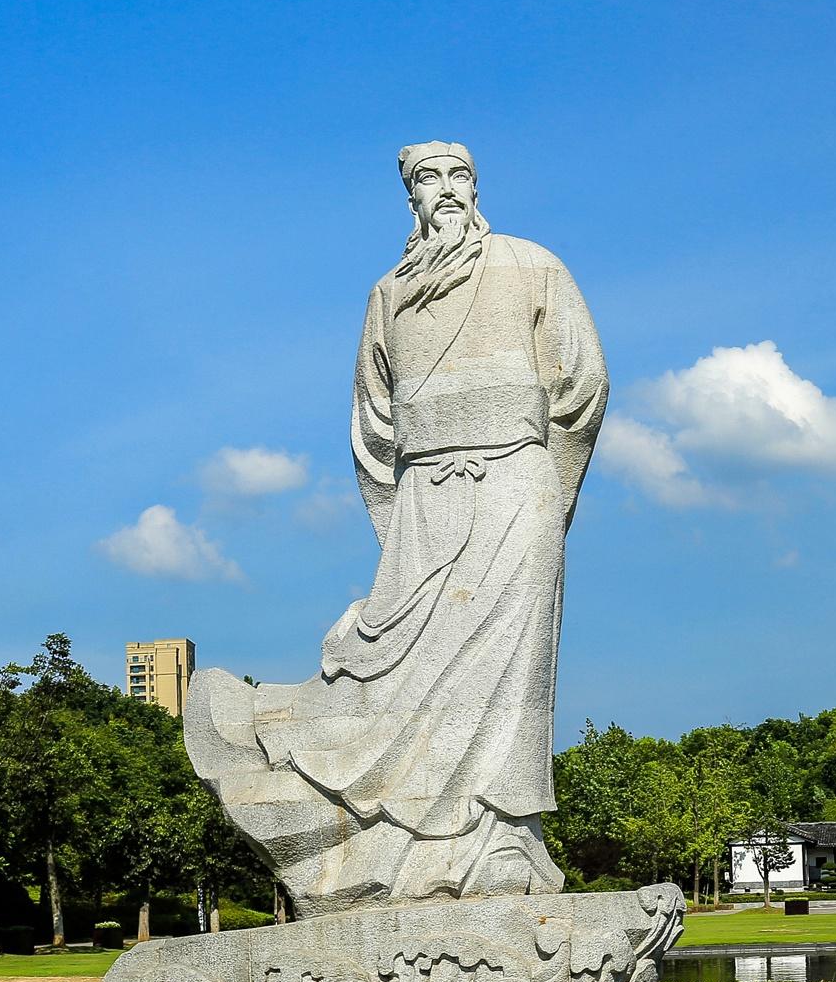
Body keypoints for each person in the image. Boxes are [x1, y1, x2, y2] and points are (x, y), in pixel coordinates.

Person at [180, 142, 607, 911]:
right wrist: (410, 510)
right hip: (422, 496)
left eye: (458, 177)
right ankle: (369, 828)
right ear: (408, 197)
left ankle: (501, 841)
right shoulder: (388, 294)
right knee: (394, 658)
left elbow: (583, 384)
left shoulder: (532, 264)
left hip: (516, 479)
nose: (445, 191)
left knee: (511, 669)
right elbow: (374, 421)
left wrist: (544, 488)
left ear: (477, 187)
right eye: (426, 180)